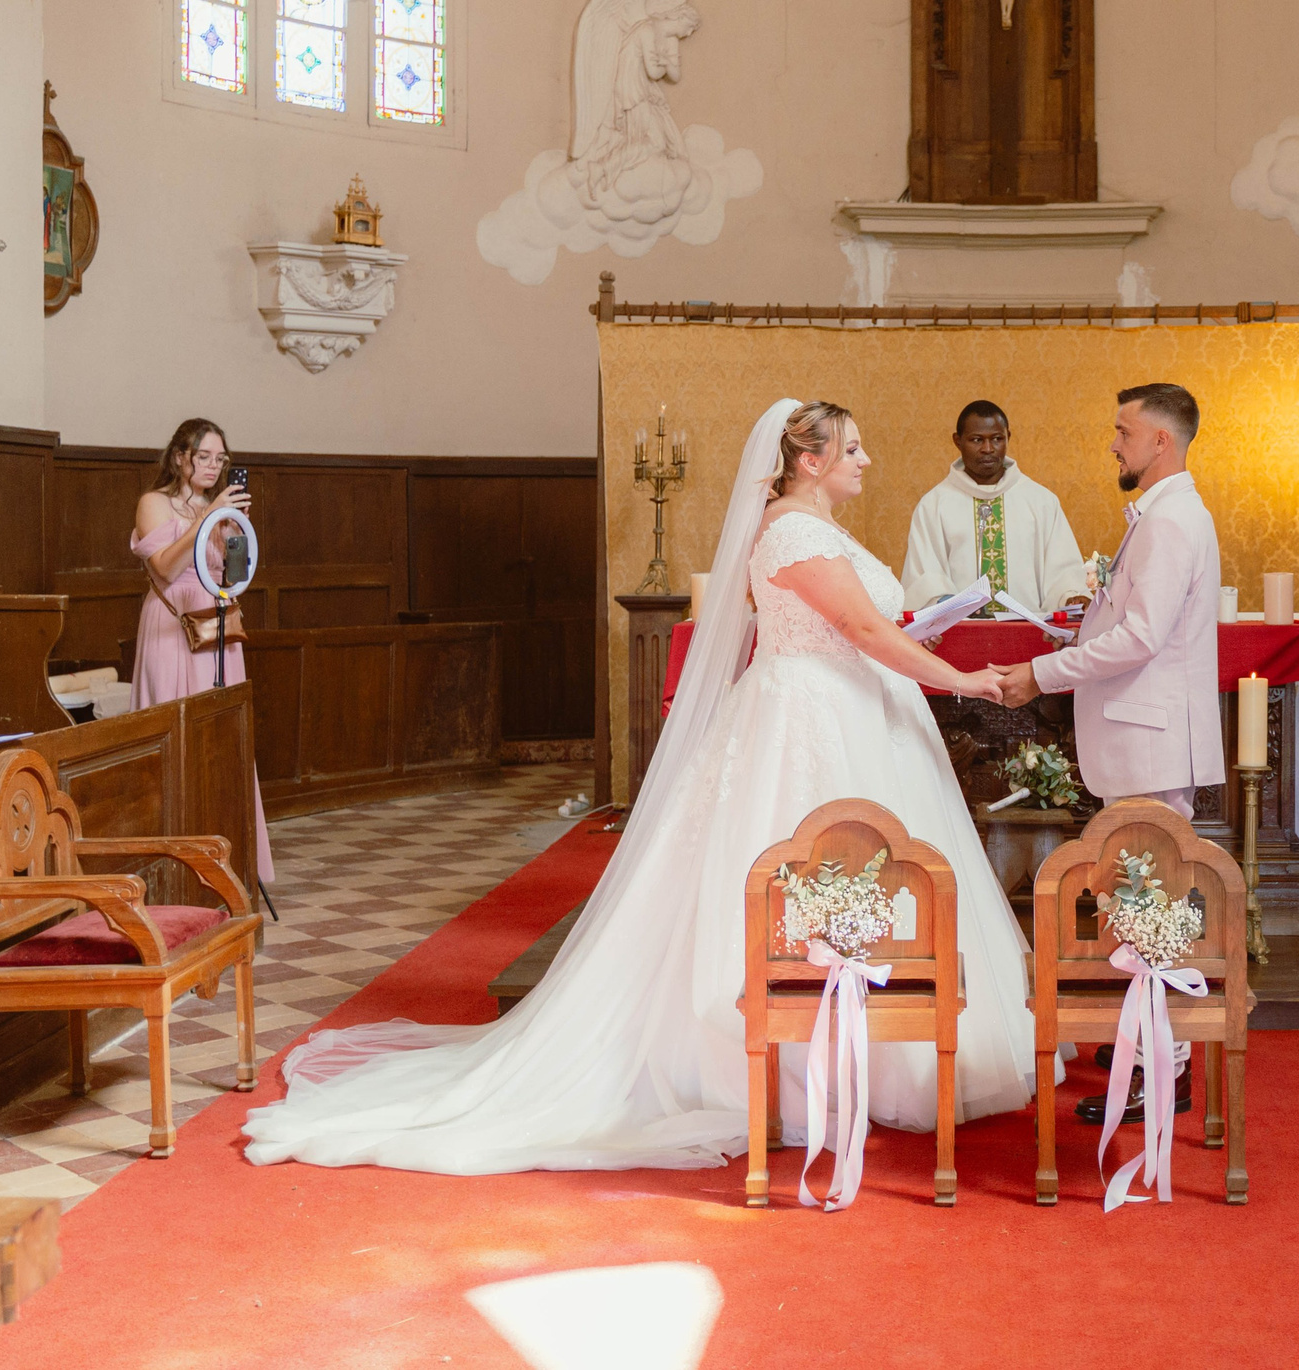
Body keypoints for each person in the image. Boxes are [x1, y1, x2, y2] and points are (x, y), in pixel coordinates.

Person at [241, 399, 1040, 1175]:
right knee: (805, 875)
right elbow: (861, 630)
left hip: (850, 709)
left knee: (858, 880)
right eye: (852, 448)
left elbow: (863, 626)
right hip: (809, 719)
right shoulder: (794, 530)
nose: (866, 459)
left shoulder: (816, 526)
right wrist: (963, 679)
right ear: (809, 459)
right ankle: (795, 1067)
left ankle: (869, 1054)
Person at [996, 384, 1223, 814]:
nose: (1113, 446)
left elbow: (1141, 638)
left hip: (1149, 751)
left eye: (1124, 433)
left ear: (1161, 441)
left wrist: (1041, 674)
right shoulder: (1171, 512)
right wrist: (1080, 637)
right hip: (1148, 750)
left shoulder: (1169, 520)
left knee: (1146, 859)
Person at [131, 418, 271, 883]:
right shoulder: (154, 502)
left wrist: (235, 531)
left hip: (217, 626)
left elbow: (236, 577)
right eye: (203, 456)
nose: (213, 466)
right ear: (179, 457)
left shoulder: (222, 508)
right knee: (175, 732)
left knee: (222, 740)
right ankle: (174, 865)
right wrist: (205, 519)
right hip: (172, 625)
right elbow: (165, 569)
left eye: (220, 458)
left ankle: (229, 860)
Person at [900, 400, 1087, 613]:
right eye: (977, 440)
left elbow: (1063, 574)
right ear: (957, 441)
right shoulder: (934, 505)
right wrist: (950, 605)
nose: (987, 449)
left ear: (1008, 437)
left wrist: (1069, 597)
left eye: (997, 439)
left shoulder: (1041, 501)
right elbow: (925, 578)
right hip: (961, 629)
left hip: (1028, 629)